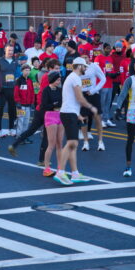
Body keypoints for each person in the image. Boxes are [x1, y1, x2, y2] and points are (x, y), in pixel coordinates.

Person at [54, 57, 94, 185]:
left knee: (73, 145)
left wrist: (78, 114)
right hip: (68, 113)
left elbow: (70, 99)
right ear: (79, 66)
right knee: (72, 143)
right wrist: (91, 107)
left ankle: (75, 173)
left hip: (70, 113)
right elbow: (79, 98)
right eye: (85, 66)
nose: (86, 68)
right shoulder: (75, 78)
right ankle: (60, 172)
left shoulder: (72, 77)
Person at [79, 54, 106, 152]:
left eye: (86, 57)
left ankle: (100, 141)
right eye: (82, 57)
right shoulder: (78, 67)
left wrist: (94, 90)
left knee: (97, 118)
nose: (84, 59)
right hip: (82, 95)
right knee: (84, 119)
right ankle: (85, 142)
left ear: (89, 57)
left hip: (93, 95)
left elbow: (103, 79)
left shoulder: (94, 66)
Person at [39, 72, 63, 177]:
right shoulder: (46, 90)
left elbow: (62, 102)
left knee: (60, 144)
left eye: (59, 80)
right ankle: (46, 169)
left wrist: (56, 104)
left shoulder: (60, 90)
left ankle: (60, 168)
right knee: (51, 144)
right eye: (57, 80)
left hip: (60, 115)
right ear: (53, 80)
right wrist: (54, 104)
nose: (59, 81)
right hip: (50, 116)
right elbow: (44, 106)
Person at [0, 46, 19, 136]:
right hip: (2, 89)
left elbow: (17, 73)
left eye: (12, 50)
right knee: (0, 109)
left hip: (12, 88)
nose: (10, 52)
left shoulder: (15, 61)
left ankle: (11, 128)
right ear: (5, 50)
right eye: (9, 50)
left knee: (12, 109)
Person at [95, 43, 118, 127]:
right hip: (102, 84)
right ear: (103, 49)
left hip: (110, 83)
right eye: (107, 48)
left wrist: (114, 74)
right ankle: (100, 120)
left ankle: (106, 118)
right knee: (102, 103)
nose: (109, 50)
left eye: (110, 48)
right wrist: (105, 74)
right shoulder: (98, 58)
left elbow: (111, 69)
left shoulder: (110, 58)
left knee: (108, 103)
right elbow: (96, 71)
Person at [13, 64, 35, 142]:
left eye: (29, 70)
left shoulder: (30, 81)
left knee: (26, 121)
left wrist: (32, 102)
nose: (27, 72)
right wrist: (17, 102)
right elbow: (16, 92)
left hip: (28, 105)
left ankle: (24, 137)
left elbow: (32, 92)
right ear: (22, 71)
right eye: (26, 70)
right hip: (21, 105)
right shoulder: (19, 80)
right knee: (20, 121)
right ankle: (19, 137)